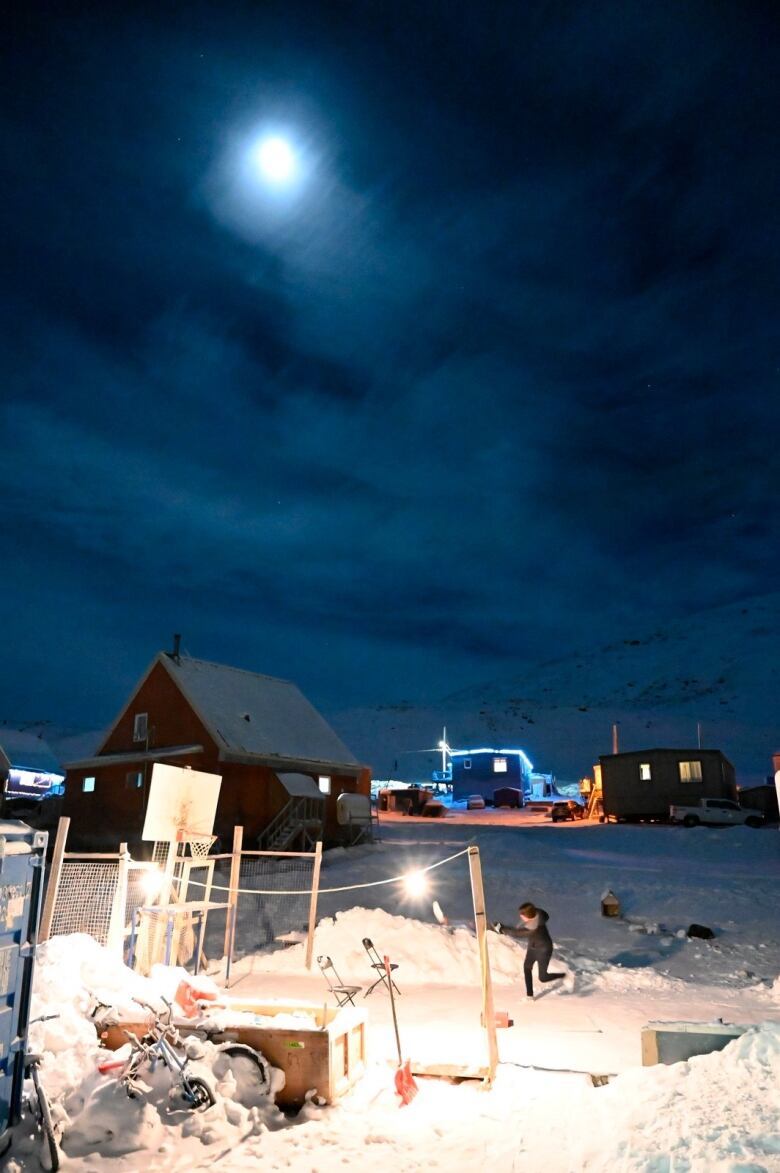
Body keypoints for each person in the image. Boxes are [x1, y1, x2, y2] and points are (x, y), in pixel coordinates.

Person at [497, 901, 566, 998]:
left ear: (528, 915)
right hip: (533, 947)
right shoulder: (537, 914)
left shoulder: (533, 927)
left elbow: (518, 934)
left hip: (544, 950)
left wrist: (502, 930)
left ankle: (563, 975)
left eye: (522, 914)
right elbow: (518, 930)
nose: (520, 916)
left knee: (543, 977)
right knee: (527, 968)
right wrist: (504, 927)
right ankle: (530, 995)